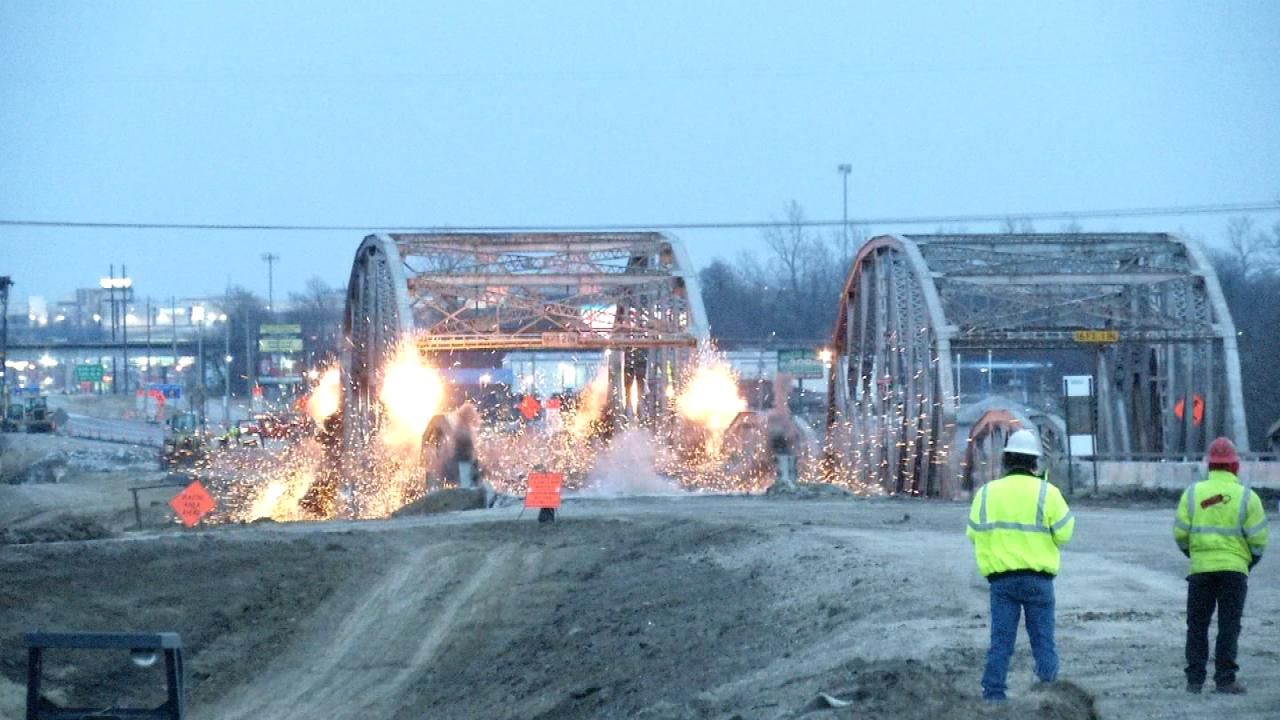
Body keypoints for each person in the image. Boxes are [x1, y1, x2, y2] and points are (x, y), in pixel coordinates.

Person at [966, 428, 1074, 702]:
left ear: (1006, 460)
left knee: (1001, 642)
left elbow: (973, 533)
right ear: (1034, 462)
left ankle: (993, 694)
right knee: (1043, 643)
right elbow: (1065, 533)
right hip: (1038, 581)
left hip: (1001, 581)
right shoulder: (1047, 493)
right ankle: (1047, 693)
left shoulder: (987, 493)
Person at [1174, 437, 1268, 695]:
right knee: (1229, 625)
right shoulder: (1248, 497)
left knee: (1197, 625)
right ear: (1235, 466)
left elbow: (1180, 534)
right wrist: (1246, 562)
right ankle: (1225, 679)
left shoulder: (1193, 494)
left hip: (1201, 570)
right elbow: (1258, 540)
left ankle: (1194, 680)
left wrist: (1195, 555)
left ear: (1209, 465)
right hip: (1234, 571)